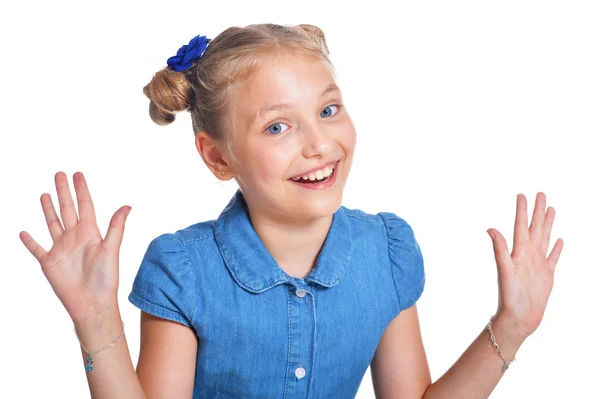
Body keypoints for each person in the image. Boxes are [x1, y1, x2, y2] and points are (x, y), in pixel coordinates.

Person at [18, 23, 564, 398]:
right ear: (217, 156)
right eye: (278, 126)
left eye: (328, 110)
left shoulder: (387, 253)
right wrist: (95, 318)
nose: (318, 144)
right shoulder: (182, 270)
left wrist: (511, 327)